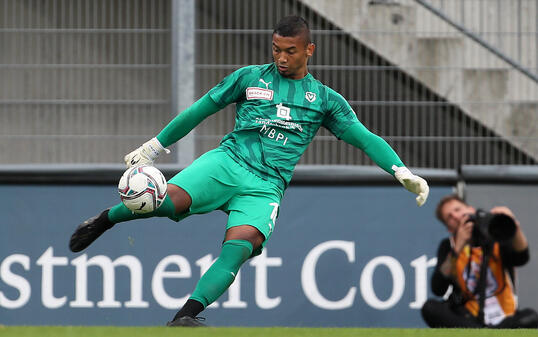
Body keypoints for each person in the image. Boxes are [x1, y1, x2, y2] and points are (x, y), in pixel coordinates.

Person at [69, 15, 429, 327]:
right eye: (276, 49)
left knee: (242, 245)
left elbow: (365, 139)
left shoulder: (324, 100)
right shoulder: (249, 78)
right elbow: (200, 110)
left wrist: (401, 171)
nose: (281, 57)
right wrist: (155, 146)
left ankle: (185, 315)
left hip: (266, 185)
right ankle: (106, 219)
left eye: (290, 50)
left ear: (309, 51)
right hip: (227, 162)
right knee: (165, 202)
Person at [421, 194, 538, 328]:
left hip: (505, 315)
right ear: (449, 228)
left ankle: (486, 333)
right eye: (449, 217)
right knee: (430, 308)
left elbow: (521, 257)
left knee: (531, 317)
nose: (455, 216)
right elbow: (438, 288)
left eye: (458, 210)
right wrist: (458, 247)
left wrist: (513, 225)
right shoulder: (449, 245)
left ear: (471, 210)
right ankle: (483, 332)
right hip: (469, 317)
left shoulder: (495, 232)